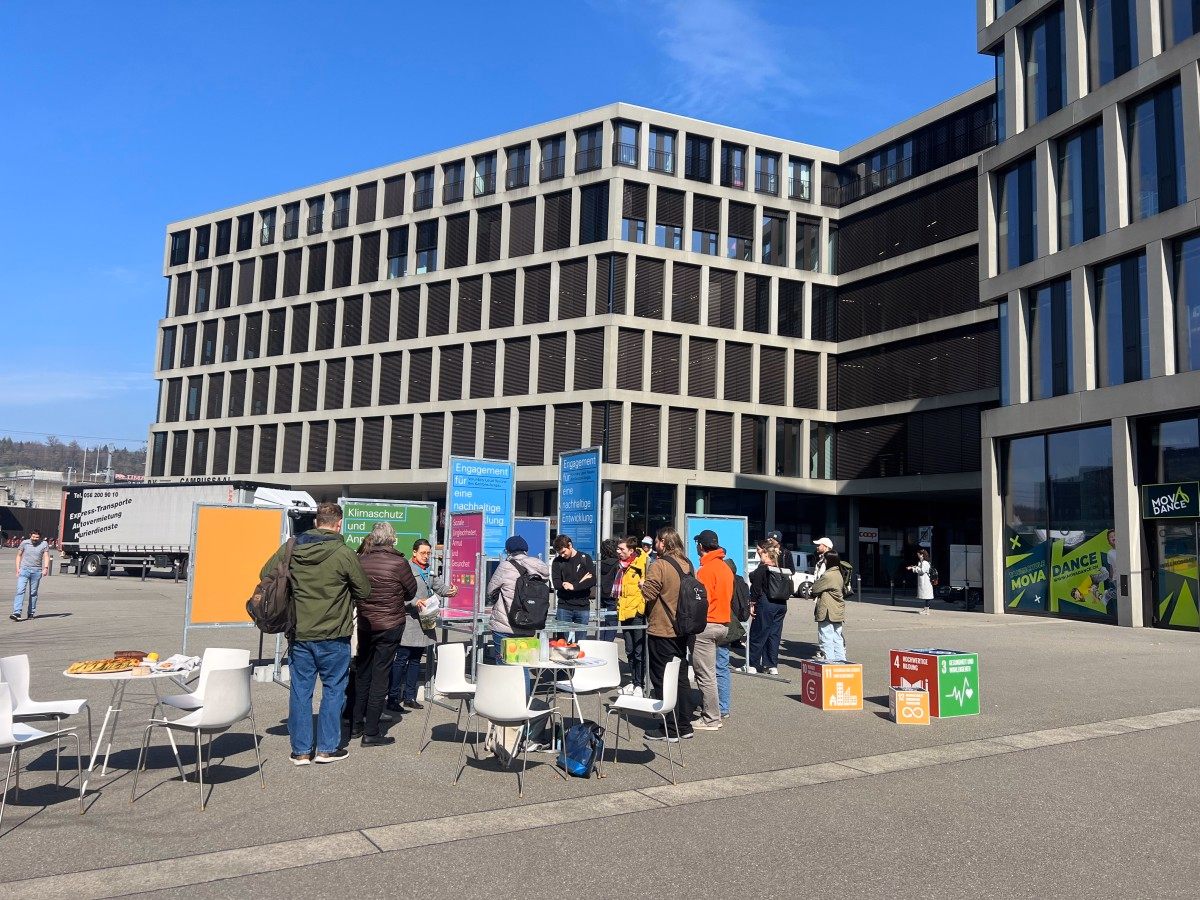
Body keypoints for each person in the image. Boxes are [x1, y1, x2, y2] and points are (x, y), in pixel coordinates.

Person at [261, 502, 371, 765]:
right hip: (335, 634)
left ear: (315, 523)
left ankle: (300, 751)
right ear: (339, 524)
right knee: (334, 690)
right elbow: (364, 592)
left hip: (300, 633)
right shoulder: (344, 553)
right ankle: (326, 749)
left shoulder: (290, 547)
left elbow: (266, 574)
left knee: (300, 691)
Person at [351, 523, 417, 747]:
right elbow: (411, 591)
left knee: (363, 673)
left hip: (366, 622)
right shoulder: (399, 562)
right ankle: (371, 732)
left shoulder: (361, 561)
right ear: (392, 539)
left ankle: (356, 725)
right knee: (381, 676)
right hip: (390, 623)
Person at [640, 526, 694, 742]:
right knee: (680, 678)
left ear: (663, 542)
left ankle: (669, 729)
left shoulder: (659, 565)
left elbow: (649, 594)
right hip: (683, 628)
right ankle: (684, 725)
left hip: (662, 629)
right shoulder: (688, 564)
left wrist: (642, 584)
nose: (654, 544)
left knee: (662, 679)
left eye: (656, 541)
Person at [390, 538, 455, 712]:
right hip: (409, 621)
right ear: (414, 553)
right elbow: (398, 594)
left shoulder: (429, 571)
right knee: (401, 660)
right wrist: (415, 601)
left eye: (428, 553)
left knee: (416, 660)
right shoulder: (406, 569)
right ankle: (393, 697)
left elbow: (439, 587)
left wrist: (450, 591)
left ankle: (410, 696)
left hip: (425, 623)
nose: (426, 556)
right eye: (423, 553)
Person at [486, 535, 550, 676]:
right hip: (528, 624)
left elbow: (490, 591)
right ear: (525, 550)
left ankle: (505, 698)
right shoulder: (540, 568)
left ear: (508, 551)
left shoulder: (505, 566)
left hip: (504, 624)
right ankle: (523, 698)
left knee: (504, 666)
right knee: (523, 666)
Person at [692, 530, 732, 730]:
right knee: (718, 670)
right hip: (723, 624)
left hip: (707, 625)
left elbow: (701, 600)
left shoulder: (706, 570)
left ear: (701, 546)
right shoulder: (724, 567)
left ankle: (711, 718)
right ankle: (719, 710)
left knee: (706, 674)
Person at [615, 535, 648, 697]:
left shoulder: (642, 564)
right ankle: (634, 682)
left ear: (631, 550)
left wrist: (640, 610)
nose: (618, 551)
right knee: (629, 650)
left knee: (639, 651)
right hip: (624, 612)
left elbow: (646, 589)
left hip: (636, 613)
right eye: (618, 548)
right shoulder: (622, 566)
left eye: (622, 549)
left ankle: (639, 684)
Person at [748, 543, 788, 674]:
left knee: (758, 632)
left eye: (761, 554)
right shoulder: (779, 570)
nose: (760, 556)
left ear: (766, 554)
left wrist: (752, 604)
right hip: (781, 605)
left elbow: (755, 589)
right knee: (774, 635)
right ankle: (771, 665)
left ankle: (752, 664)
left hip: (766, 604)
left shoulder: (762, 569)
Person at [551, 534, 594, 639]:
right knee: (562, 641)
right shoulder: (557, 562)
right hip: (564, 606)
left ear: (570, 545)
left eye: (563, 552)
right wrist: (581, 581)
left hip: (582, 606)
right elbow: (556, 583)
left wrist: (573, 586)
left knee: (581, 642)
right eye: (559, 553)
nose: (562, 555)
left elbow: (592, 581)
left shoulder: (585, 558)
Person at [813, 550, 847, 661]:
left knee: (826, 638)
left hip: (827, 610)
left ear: (830, 560)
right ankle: (841, 662)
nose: (824, 561)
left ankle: (831, 662)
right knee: (837, 638)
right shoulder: (839, 573)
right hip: (837, 610)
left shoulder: (828, 575)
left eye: (825, 559)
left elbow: (815, 589)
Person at [12, 529, 50, 621]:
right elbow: (19, 555)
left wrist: (46, 568)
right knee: (20, 591)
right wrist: (17, 568)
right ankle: (17, 612)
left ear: (40, 538)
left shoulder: (44, 544)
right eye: (33, 537)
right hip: (24, 570)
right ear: (30, 536)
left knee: (33, 593)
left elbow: (46, 556)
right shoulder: (24, 543)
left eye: (37, 537)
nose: (35, 539)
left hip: (36, 571)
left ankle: (31, 613)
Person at [598, 538, 620, 642]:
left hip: (601, 595)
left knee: (602, 620)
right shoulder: (618, 564)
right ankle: (609, 642)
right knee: (612, 620)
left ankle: (601, 640)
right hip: (612, 595)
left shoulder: (599, 563)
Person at [909, 548, 933, 615]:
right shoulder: (922, 562)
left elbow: (922, 570)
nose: (918, 556)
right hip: (925, 581)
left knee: (927, 596)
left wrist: (915, 568)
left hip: (926, 581)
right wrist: (913, 567)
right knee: (926, 596)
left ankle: (926, 610)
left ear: (922, 555)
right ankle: (926, 609)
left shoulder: (925, 562)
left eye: (919, 555)